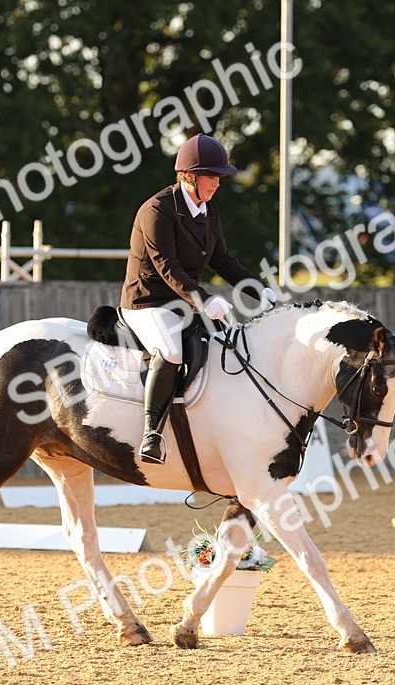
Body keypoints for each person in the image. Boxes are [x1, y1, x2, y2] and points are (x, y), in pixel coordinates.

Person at [119, 133, 276, 464]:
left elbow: (222, 260)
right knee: (172, 350)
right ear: (189, 175)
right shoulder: (157, 210)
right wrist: (205, 301)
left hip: (184, 303)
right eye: (212, 176)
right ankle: (152, 433)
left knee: (224, 347)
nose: (217, 184)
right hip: (147, 302)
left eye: (219, 177)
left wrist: (257, 288)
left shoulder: (209, 211)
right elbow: (167, 266)